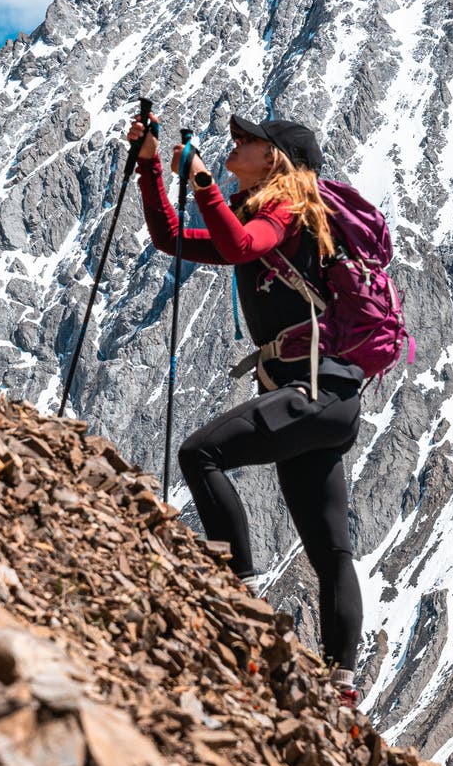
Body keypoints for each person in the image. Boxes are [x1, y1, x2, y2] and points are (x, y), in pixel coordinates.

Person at [131, 112, 365, 709]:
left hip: (310, 390)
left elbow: (238, 245)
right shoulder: (274, 217)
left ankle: (237, 593)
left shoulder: (287, 212)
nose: (236, 144)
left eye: (248, 140)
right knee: (328, 544)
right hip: (325, 397)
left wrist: (205, 183)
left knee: (199, 452)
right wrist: (151, 165)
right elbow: (171, 239)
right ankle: (341, 687)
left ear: (276, 159)